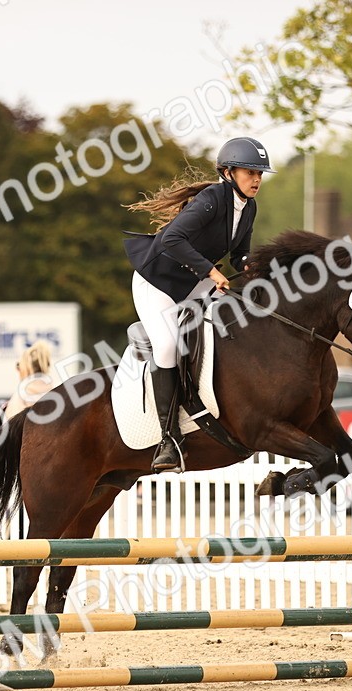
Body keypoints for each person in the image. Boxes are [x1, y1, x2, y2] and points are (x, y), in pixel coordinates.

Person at [123, 136, 273, 473]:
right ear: (228, 171)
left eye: (260, 173)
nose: (257, 179)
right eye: (250, 172)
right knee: (167, 346)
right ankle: (167, 438)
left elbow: (239, 254)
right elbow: (171, 239)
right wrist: (210, 270)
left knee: (227, 330)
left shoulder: (248, 207)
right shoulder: (211, 199)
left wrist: (253, 266)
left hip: (194, 283)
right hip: (157, 281)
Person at [4, 341, 54, 419]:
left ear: (25, 368)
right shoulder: (53, 390)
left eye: (18, 367)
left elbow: (10, 421)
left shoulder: (21, 394)